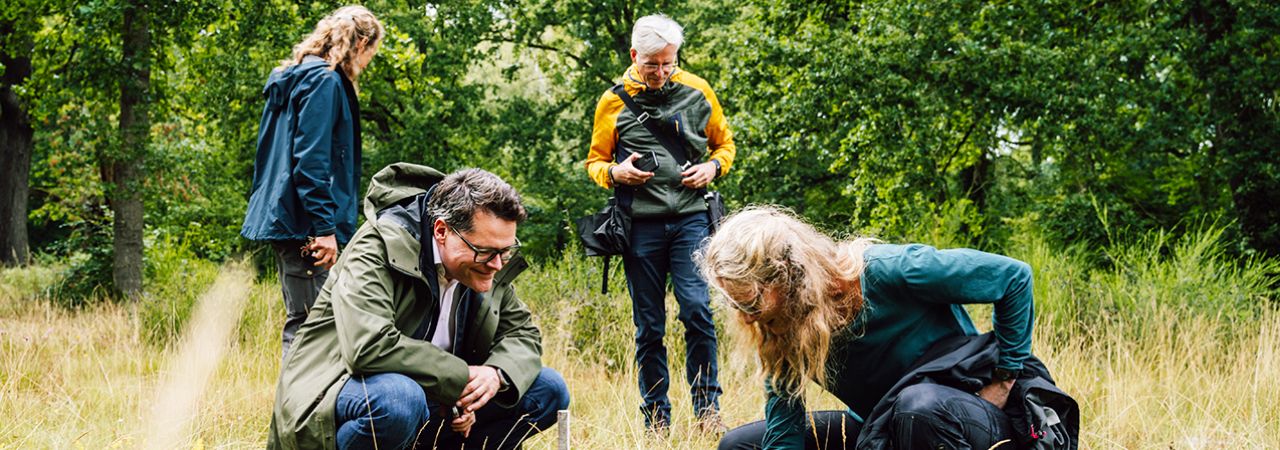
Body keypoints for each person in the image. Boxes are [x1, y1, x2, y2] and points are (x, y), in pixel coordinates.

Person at [699, 206, 1077, 449]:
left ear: (790, 278)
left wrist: (1004, 380)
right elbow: (785, 434)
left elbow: (1013, 277)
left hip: (977, 419)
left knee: (918, 406)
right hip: (886, 429)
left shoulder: (889, 270)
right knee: (740, 445)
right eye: (733, 303)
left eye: (749, 301)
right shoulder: (781, 328)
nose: (745, 317)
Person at [267, 163, 571, 450]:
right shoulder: (376, 246)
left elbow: (522, 335)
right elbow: (368, 346)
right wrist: (461, 379)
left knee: (548, 389)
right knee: (398, 400)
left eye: (506, 251)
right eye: (486, 252)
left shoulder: (486, 257)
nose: (496, 264)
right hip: (337, 389)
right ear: (442, 231)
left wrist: (493, 375)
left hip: (435, 397)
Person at [583, 13, 737, 434]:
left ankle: (707, 411)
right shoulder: (612, 102)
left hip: (691, 219)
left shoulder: (698, 90)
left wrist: (712, 169)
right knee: (649, 325)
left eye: (669, 63)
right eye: (652, 64)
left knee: (697, 312)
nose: (661, 72)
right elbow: (594, 162)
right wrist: (616, 174)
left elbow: (726, 146)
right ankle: (655, 419)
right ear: (635, 56)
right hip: (640, 226)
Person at [241, 5, 383, 355]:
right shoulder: (324, 82)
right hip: (305, 223)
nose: (366, 65)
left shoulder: (298, 77)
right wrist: (324, 228)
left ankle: (304, 407)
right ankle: (297, 409)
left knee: (309, 321)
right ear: (361, 43)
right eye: (370, 55)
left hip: (291, 217)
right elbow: (311, 162)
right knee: (311, 327)